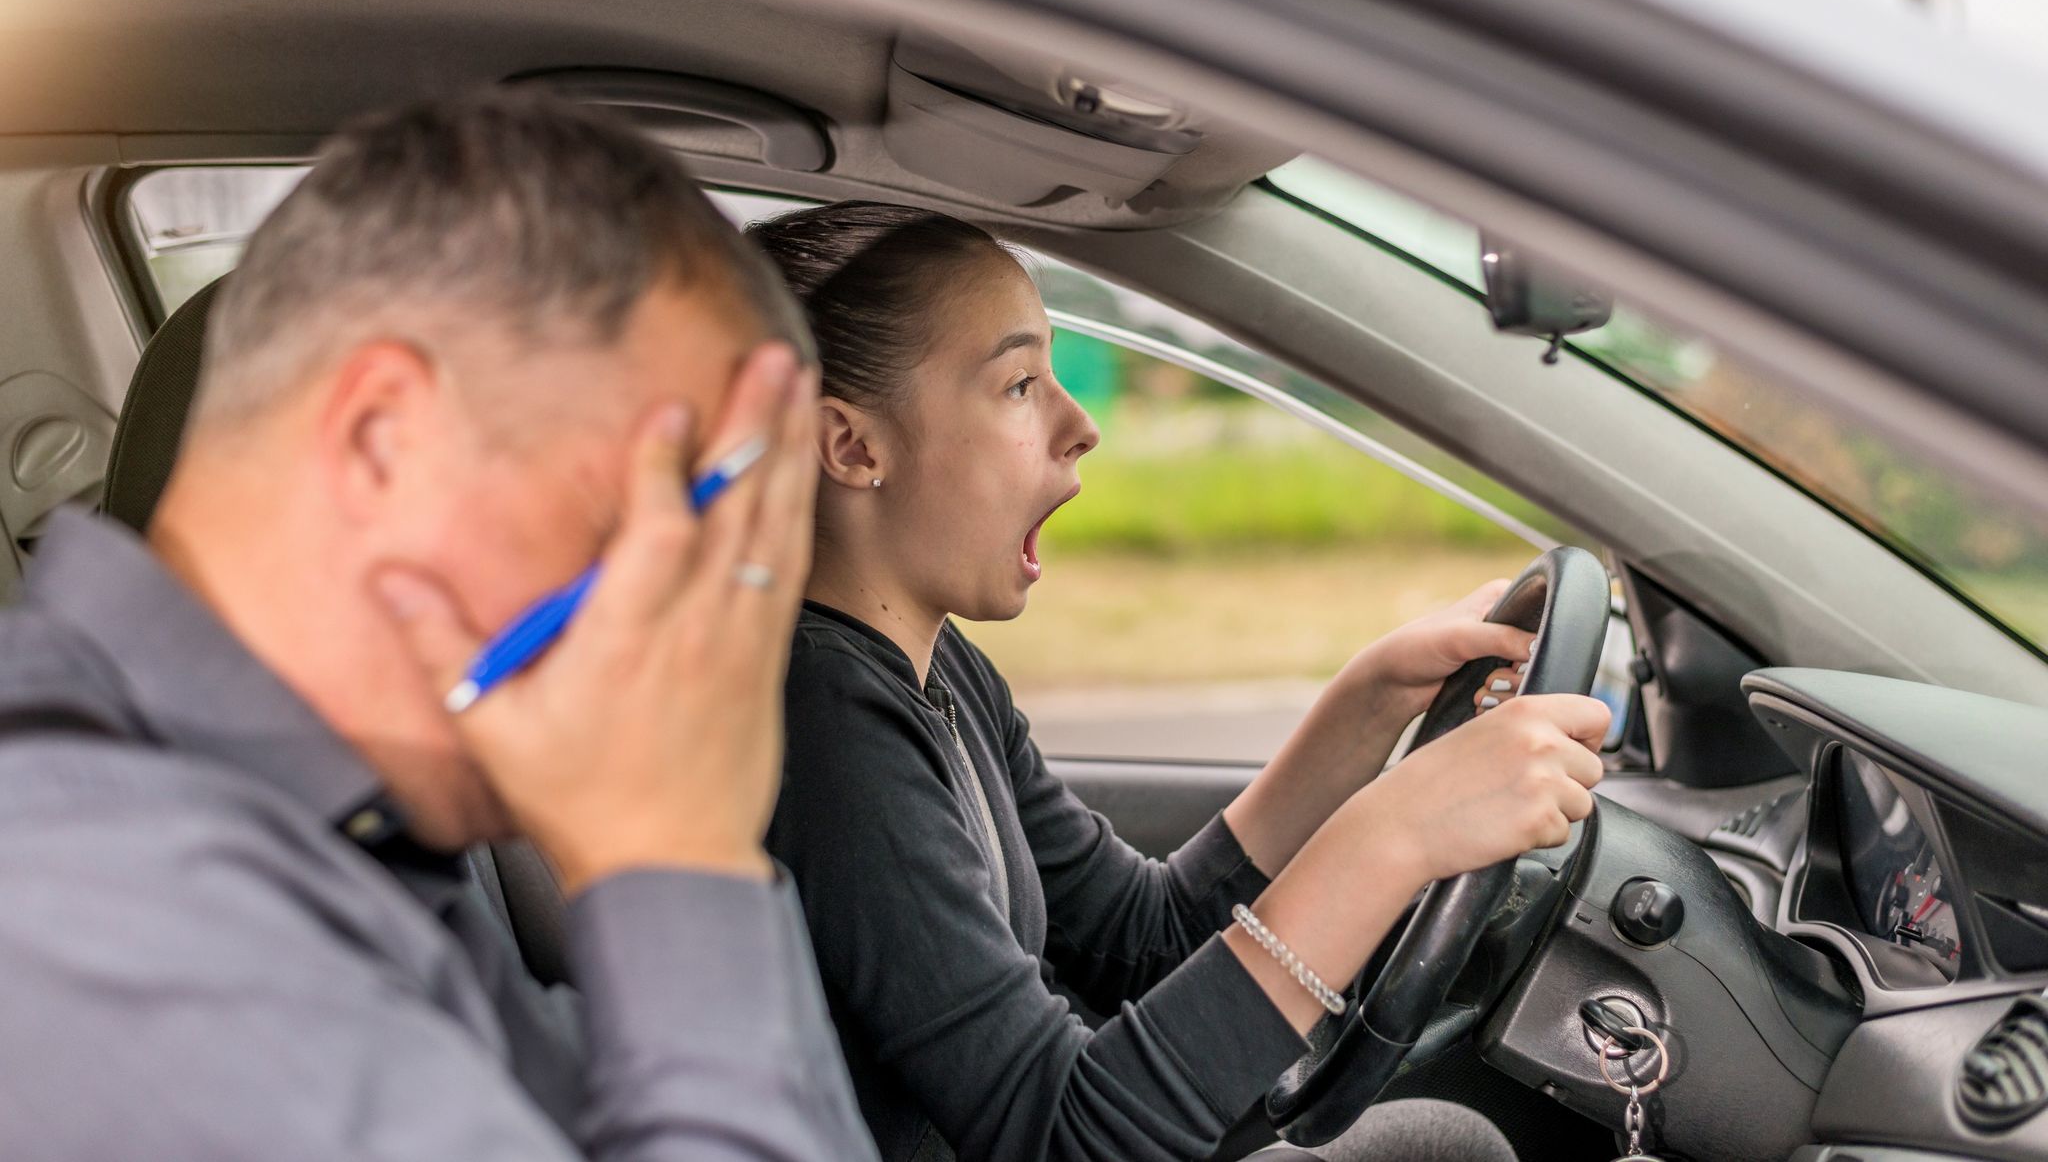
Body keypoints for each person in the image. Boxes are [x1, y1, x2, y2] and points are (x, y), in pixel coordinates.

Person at [0, 92, 879, 1160]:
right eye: (658, 520)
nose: (700, 617)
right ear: (383, 439)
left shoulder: (361, 844)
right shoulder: (90, 895)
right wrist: (675, 856)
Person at [752, 202, 1611, 1162]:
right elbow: (1068, 1137)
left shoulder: (934, 668)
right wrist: (1397, 835)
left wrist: (1372, 699)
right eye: (1020, 384)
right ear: (853, 445)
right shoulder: (822, 722)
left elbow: (1140, 937)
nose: (1080, 425)